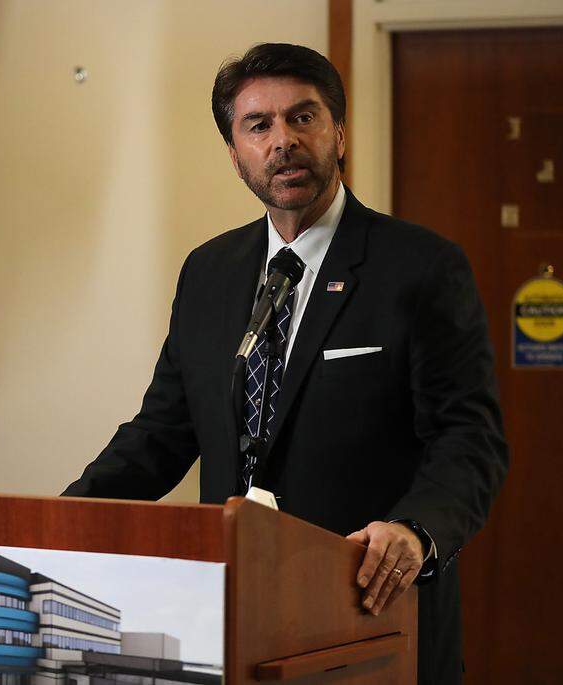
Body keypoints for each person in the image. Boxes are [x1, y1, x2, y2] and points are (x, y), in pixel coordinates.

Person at [61, 43, 507, 684]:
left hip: (369, 612)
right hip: (234, 616)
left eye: (304, 118)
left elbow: (470, 438)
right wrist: (66, 517)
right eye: (259, 125)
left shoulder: (421, 268)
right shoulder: (208, 273)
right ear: (235, 152)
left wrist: (415, 531)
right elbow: (164, 430)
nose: (283, 141)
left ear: (339, 133)